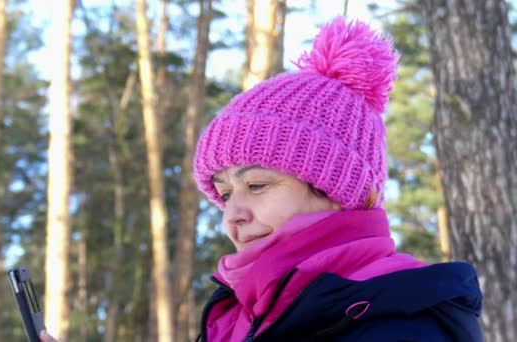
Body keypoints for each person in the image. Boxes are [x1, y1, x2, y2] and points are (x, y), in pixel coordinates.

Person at [192, 17, 483, 341]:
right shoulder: (232, 319)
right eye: (226, 194)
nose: (233, 215)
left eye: (257, 185)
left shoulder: (404, 326)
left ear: (337, 191)